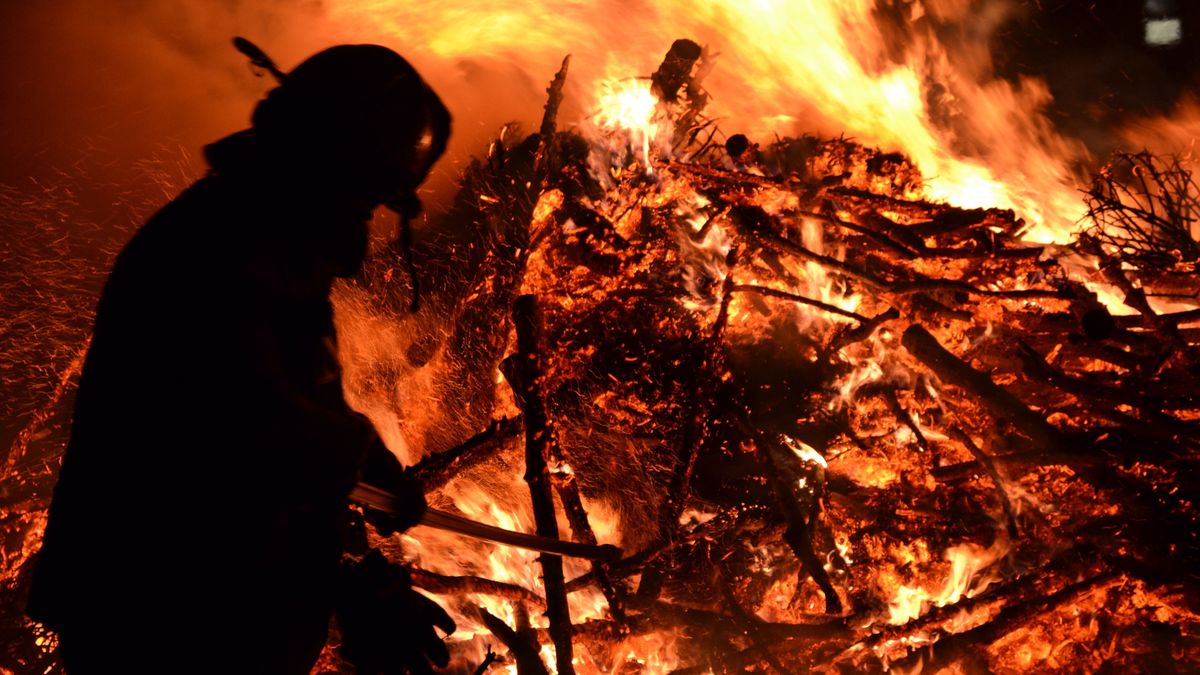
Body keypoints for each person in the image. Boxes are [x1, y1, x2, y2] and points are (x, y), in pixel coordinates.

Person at [27, 42, 454, 673]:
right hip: (161, 627)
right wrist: (353, 561)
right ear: (327, 164)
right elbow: (244, 463)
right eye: (365, 199)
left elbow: (281, 441)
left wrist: (360, 481)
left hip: (183, 614)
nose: (361, 226)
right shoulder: (227, 255)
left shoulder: (260, 247)